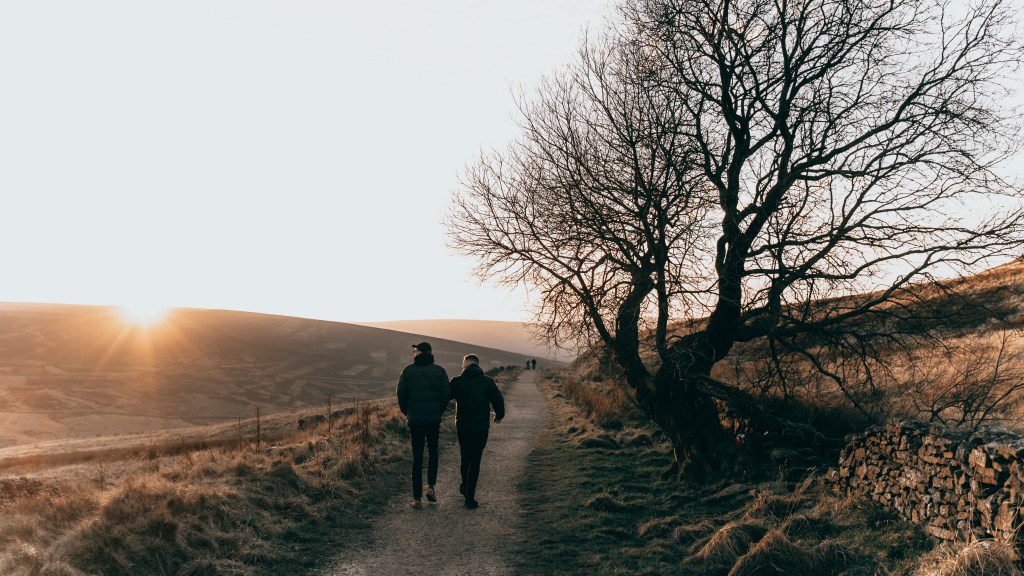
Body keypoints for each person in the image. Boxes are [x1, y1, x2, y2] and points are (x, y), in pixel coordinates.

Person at [396, 341, 450, 509]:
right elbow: (445, 395)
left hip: (416, 421)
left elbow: (401, 395)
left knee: (417, 457)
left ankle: (417, 499)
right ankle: (431, 487)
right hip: (433, 420)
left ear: (422, 352)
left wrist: (409, 413)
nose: (414, 353)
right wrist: (437, 412)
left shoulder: (408, 371)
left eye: (416, 351)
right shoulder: (440, 371)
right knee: (433, 452)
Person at [448, 353, 505, 509]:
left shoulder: (457, 381)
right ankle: (470, 498)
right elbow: (498, 400)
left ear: (466, 364)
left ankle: (465, 487)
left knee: (465, 457)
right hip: (481, 427)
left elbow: (444, 396)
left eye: (463, 363)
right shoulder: (487, 382)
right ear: (478, 365)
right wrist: (499, 416)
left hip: (463, 427)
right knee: (475, 460)